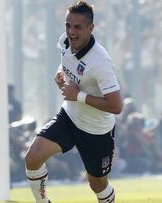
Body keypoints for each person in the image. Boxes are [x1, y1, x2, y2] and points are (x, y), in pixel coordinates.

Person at [24, 1, 122, 203]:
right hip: (69, 117)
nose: (71, 31)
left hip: (96, 130)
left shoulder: (101, 62)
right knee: (32, 158)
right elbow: (67, 63)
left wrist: (78, 96)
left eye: (77, 27)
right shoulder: (66, 41)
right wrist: (60, 73)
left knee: (97, 185)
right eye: (68, 25)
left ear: (90, 28)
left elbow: (116, 106)